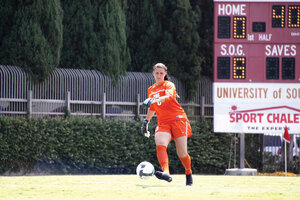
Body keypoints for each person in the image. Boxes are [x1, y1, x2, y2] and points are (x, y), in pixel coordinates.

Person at [141, 63, 193, 186]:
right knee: (160, 142)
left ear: (165, 74)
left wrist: (154, 99)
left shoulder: (169, 85)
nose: (159, 75)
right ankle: (166, 173)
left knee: (182, 154)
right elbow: (152, 107)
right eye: (157, 73)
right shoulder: (151, 89)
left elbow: (169, 97)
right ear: (153, 73)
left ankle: (188, 172)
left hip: (178, 120)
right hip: (163, 122)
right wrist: (146, 122)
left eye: (161, 73)